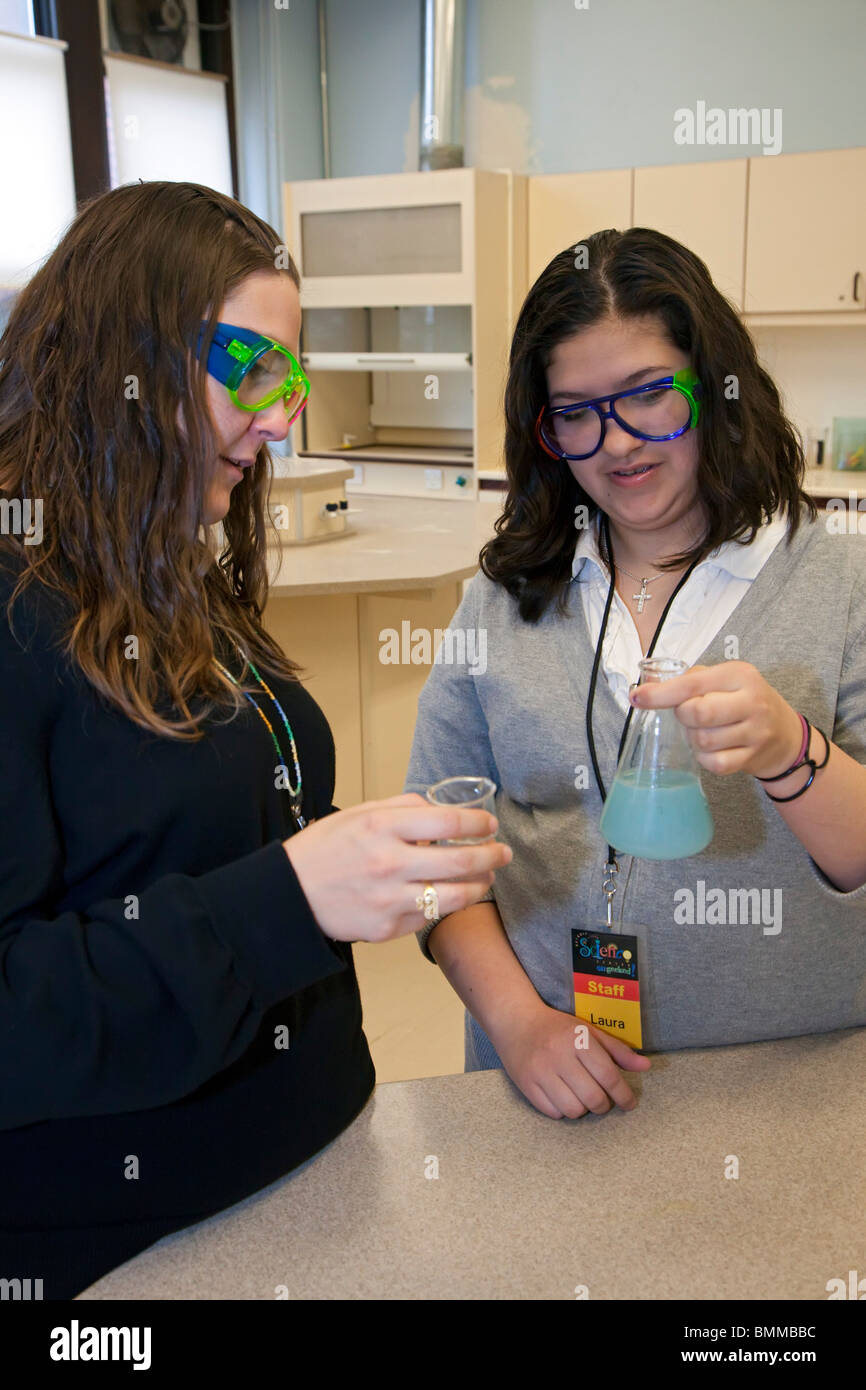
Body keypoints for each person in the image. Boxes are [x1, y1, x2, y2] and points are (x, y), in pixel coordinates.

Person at [0, 181, 512, 1299]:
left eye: (294, 379)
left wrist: (348, 856)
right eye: (254, 369)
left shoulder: (155, 561)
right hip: (128, 1256)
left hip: (301, 1189)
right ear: (122, 349)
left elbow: (178, 847)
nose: (283, 420)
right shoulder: (13, 601)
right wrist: (295, 894)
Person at [405, 227, 866, 1123]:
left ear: (716, 387)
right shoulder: (502, 599)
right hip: (547, 1092)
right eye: (575, 412)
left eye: (649, 395)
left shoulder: (841, 583)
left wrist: (790, 750)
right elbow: (435, 853)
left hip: (790, 1095)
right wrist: (519, 1027)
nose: (616, 444)